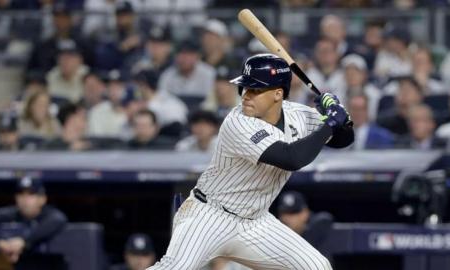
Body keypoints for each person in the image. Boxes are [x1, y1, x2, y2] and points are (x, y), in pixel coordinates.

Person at [148, 53, 353, 269]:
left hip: (255, 222)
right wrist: (330, 123)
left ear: (277, 94)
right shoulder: (237, 122)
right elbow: (291, 158)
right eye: (245, 88)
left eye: (255, 90)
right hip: (209, 215)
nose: (246, 95)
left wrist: (341, 118)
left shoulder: (298, 115)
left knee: (317, 267)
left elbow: (343, 140)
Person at [0, 177, 67, 269]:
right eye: (21, 194)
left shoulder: (50, 215)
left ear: (42, 199)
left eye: (31, 194)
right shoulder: (10, 214)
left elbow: (58, 219)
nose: (25, 199)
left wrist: (24, 242)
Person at [277, 191, 334, 257]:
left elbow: (325, 219)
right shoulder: (275, 235)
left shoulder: (316, 228)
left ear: (305, 213)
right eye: (284, 213)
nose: (287, 218)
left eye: (293, 213)